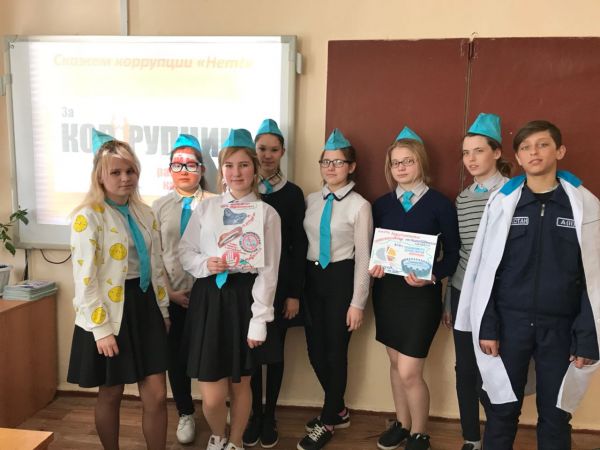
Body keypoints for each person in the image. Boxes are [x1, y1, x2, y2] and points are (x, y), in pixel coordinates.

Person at [455, 120, 600, 450]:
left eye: (542, 144)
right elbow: (486, 273)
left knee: (556, 416)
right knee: (501, 411)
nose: (534, 152)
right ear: (518, 157)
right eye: (525, 147)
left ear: (559, 151)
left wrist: (587, 337)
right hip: (510, 326)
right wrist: (488, 326)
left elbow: (594, 279)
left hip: (561, 329)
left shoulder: (585, 206)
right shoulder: (502, 204)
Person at [179, 128, 282, 450]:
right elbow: (185, 251)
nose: (236, 173)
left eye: (243, 165)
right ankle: (218, 435)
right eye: (229, 166)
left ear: (255, 169)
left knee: (241, 384)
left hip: (244, 300)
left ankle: (235, 441)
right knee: (212, 394)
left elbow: (269, 271)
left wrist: (259, 320)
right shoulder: (206, 208)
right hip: (210, 298)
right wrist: (205, 264)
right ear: (221, 171)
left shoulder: (267, 214)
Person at [67, 129, 170, 450]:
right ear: (100, 176)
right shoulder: (88, 217)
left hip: (144, 306)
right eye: (116, 172)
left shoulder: (145, 212)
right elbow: (85, 279)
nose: (125, 178)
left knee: (156, 394)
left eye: (130, 170)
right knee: (111, 392)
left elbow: (157, 266)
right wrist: (101, 330)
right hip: (109, 312)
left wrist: (163, 310)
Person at [369, 127, 460, 450]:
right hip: (388, 294)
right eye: (396, 163)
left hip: (421, 296)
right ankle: (402, 424)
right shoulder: (381, 205)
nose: (402, 168)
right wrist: (375, 266)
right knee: (395, 365)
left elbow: (454, 253)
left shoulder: (440, 204)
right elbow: (374, 248)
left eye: (408, 161)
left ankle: (420, 432)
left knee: (409, 370)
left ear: (421, 162)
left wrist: (433, 276)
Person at [297, 129, 373, 450]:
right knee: (315, 350)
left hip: (342, 279)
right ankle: (338, 409)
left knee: (335, 351)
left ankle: (327, 421)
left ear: (351, 167)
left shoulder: (360, 205)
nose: (331, 168)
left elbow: (364, 257)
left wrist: (358, 302)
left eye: (338, 162)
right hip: (312, 279)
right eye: (325, 162)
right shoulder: (311, 200)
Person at [442, 113, 510, 450]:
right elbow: (460, 252)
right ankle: (471, 437)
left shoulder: (514, 193)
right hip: (462, 292)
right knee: (465, 369)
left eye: (479, 151)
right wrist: (448, 300)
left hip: (500, 296)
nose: (471, 159)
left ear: (496, 152)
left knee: (495, 369)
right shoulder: (463, 198)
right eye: (466, 153)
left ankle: (498, 437)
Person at [243, 119, 308, 448]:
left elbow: (298, 246)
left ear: (282, 152)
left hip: (280, 286)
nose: (266, 155)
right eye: (261, 149)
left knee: (276, 352)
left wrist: (294, 293)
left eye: (273, 149)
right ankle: (254, 413)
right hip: (246, 287)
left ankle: (270, 415)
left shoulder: (293, 194)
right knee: (252, 353)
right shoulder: (244, 190)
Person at [152, 134, 217, 444]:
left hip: (210, 295)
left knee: (211, 355)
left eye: (191, 164)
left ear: (202, 169)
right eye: (177, 165)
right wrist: (168, 294)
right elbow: (155, 255)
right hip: (174, 295)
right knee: (176, 358)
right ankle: (185, 412)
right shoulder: (158, 207)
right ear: (170, 169)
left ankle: (216, 407)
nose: (184, 170)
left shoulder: (217, 203)